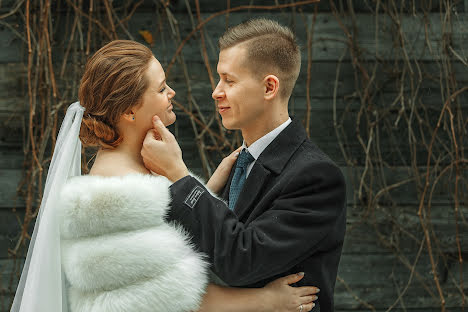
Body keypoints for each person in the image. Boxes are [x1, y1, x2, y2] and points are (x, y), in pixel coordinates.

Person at [10, 40, 319, 312]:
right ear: (130, 111)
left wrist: (204, 185)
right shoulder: (115, 193)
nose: (171, 92)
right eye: (160, 89)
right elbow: (178, 297)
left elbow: (164, 239)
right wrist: (269, 301)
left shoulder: (138, 168)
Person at [141, 19, 347, 312]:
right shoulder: (240, 162)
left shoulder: (316, 177)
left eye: (230, 80)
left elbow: (242, 260)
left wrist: (180, 176)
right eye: (218, 79)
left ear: (269, 87)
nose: (216, 91)